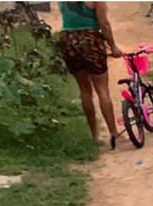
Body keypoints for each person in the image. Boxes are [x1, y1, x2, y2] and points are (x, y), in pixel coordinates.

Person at [56, 1, 123, 150]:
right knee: (102, 90)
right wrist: (113, 46)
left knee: (85, 91)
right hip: (90, 40)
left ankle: (94, 135)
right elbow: (104, 24)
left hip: (69, 40)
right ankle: (114, 134)